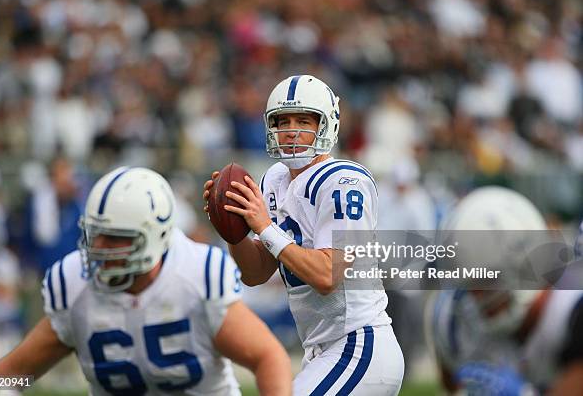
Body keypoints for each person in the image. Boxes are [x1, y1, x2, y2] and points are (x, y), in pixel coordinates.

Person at [0, 167, 291, 396]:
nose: (101, 248)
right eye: (96, 235)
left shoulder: (197, 275)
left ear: (156, 237)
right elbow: (11, 378)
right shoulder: (74, 284)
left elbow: (267, 357)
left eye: (116, 238)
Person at [204, 74, 404, 395]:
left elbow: (328, 274)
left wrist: (264, 226)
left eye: (304, 121)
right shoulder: (275, 180)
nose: (292, 131)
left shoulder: (344, 180)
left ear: (327, 125)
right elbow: (255, 273)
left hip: (358, 344)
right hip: (322, 350)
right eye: (283, 122)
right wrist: (234, 229)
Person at [426, 186, 583, 395]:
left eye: (485, 282)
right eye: (469, 284)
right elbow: (451, 387)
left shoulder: (571, 314)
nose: (473, 297)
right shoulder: (453, 322)